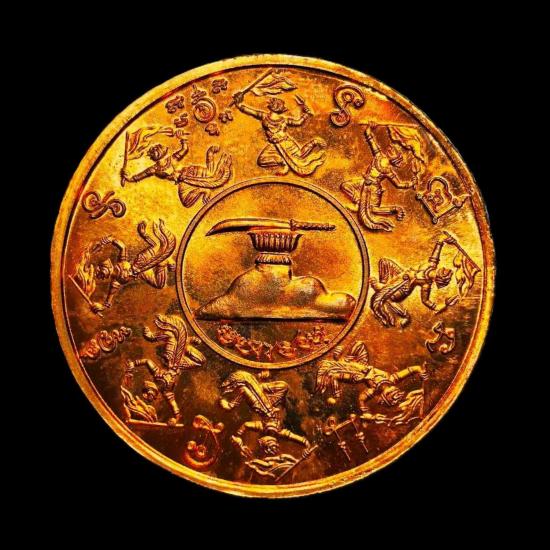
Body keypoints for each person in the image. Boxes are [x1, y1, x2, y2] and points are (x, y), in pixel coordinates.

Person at [370, 233, 457, 327]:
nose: (443, 269)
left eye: (443, 273)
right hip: (402, 274)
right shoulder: (432, 265)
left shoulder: (426, 285)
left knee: (385, 297)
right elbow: (436, 252)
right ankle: (384, 287)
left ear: (439, 279)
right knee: (384, 262)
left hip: (403, 287)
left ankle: (387, 294)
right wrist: (441, 241)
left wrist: (442, 306)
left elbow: (426, 301)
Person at [233, 92, 326, 176]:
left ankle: (314, 142)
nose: (276, 106)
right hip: (274, 145)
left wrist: (306, 114)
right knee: (261, 160)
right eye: (276, 104)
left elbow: (298, 122)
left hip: (285, 142)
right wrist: (239, 104)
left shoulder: (284, 120)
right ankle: (284, 163)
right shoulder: (264, 116)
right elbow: (250, 111)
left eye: (278, 105)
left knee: (299, 156)